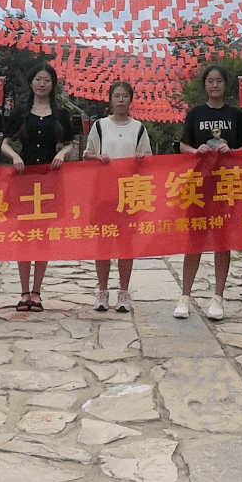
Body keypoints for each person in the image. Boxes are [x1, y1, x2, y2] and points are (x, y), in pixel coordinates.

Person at [1, 63, 79, 312]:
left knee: (44, 234)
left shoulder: (62, 115)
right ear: (31, 82)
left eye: (47, 80)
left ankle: (37, 292)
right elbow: (4, 143)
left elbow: (70, 143)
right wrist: (14, 156)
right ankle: (23, 292)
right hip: (23, 178)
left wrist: (63, 154)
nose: (42, 84)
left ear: (53, 84)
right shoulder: (20, 112)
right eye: (38, 79)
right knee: (23, 234)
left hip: (50, 178)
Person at [176, 64, 242, 320]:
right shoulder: (195, 114)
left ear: (225, 85)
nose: (215, 85)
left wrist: (233, 151)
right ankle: (185, 295)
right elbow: (184, 145)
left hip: (227, 185)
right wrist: (195, 151)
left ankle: (218, 297)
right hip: (198, 185)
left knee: (222, 241)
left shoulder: (236, 115)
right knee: (194, 239)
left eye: (219, 81)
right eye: (211, 81)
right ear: (205, 85)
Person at [85, 80, 152, 313]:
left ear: (131, 99)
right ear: (110, 100)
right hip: (104, 192)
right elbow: (87, 154)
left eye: (125, 96)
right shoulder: (100, 126)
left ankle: (124, 293)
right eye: (117, 96)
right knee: (103, 243)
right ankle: (102, 293)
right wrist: (98, 158)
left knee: (125, 244)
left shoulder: (139, 128)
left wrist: (142, 159)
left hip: (129, 193)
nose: (121, 100)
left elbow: (149, 159)